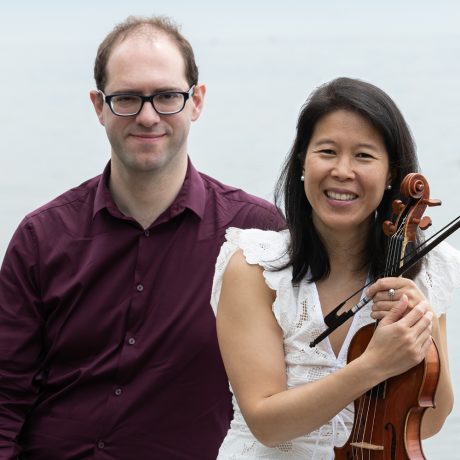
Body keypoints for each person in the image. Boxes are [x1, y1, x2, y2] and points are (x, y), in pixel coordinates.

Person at [0, 15, 285, 460]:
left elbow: (298, 378)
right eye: (127, 98)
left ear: (197, 101)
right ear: (99, 106)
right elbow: (5, 394)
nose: (148, 116)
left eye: (168, 96)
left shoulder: (257, 234)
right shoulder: (41, 237)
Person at [211, 77, 460, 458]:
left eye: (364, 156)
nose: (343, 171)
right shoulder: (253, 267)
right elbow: (266, 423)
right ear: (301, 161)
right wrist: (372, 366)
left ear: (391, 173)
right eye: (327, 151)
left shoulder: (424, 271)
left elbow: (429, 420)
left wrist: (423, 331)